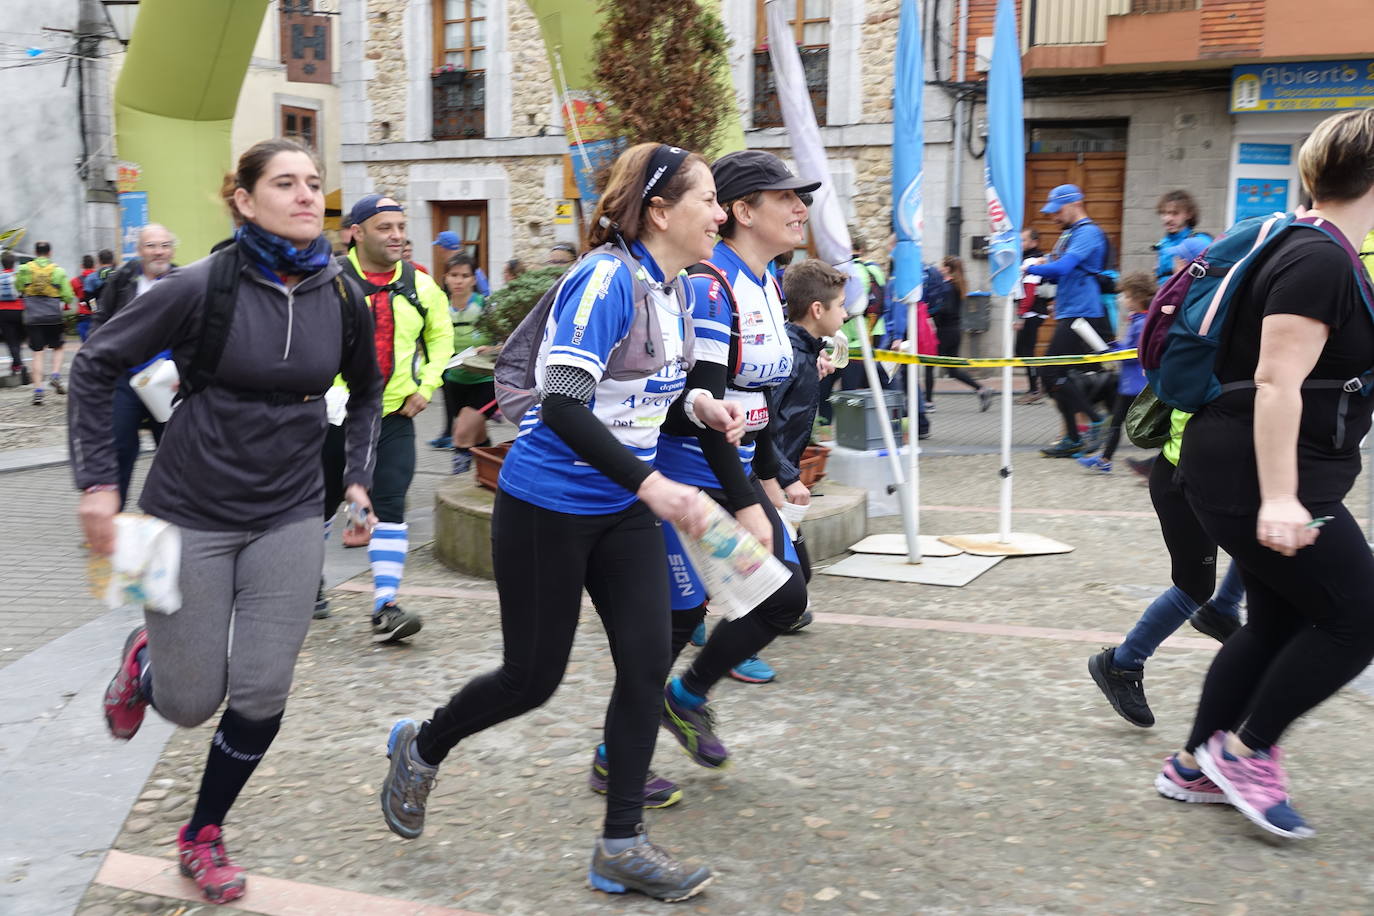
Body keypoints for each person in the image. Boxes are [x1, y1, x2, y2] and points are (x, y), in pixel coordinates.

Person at [378, 142, 739, 902]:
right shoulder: (605, 279)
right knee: (531, 678)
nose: (720, 212)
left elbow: (641, 394)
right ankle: (424, 745)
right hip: (547, 506)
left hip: (622, 510)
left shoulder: (674, 288)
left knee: (645, 667)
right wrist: (654, 485)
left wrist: (700, 406)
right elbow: (568, 404)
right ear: (660, 211)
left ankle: (621, 846)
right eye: (707, 198)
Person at [73, 137, 383, 904]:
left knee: (263, 688)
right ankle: (144, 659)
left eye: (314, 182)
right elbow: (94, 364)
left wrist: (358, 480)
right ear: (244, 199)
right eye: (286, 183)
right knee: (187, 702)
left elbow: (367, 392)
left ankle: (202, 831)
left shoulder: (342, 294)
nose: (308, 195)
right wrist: (97, 485)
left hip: (286, 512)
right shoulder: (199, 284)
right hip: (183, 513)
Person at [1154, 110, 1374, 839]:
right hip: (1262, 477)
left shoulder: (1311, 245)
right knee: (1358, 616)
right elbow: (1277, 382)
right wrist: (1281, 497)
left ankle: (1193, 765)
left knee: (1280, 618)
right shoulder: (1321, 260)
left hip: (1240, 469)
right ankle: (1245, 754)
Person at [653, 149, 815, 760]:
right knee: (671, 626)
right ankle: (616, 762)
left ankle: (687, 697)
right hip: (689, 478)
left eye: (802, 199)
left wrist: (770, 473)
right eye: (787, 199)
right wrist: (747, 499)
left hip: (733, 472)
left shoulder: (766, 282)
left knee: (785, 597)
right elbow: (706, 409)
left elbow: (759, 401)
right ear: (743, 211)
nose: (801, 209)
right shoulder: (711, 285)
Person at [320, 194, 453, 640]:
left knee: (392, 505)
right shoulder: (329, 281)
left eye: (400, 227)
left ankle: (386, 606)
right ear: (355, 233)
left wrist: (427, 386)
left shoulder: (420, 285)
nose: (396, 235)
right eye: (385, 228)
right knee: (319, 505)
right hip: (332, 418)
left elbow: (441, 338)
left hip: (394, 414)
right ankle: (306, 583)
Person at [90, 224, 179, 508]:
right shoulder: (123, 278)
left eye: (164, 245)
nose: (158, 252)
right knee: (119, 446)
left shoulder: (184, 280)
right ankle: (113, 514)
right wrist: (98, 356)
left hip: (168, 380)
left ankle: (173, 513)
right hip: (125, 377)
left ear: (172, 249)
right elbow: (101, 319)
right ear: (139, 250)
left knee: (173, 449)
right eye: (151, 246)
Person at [1024, 184, 1115, 457]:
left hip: (1083, 313)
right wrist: (1042, 266)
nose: (1053, 217)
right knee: (1058, 375)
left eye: (1057, 211)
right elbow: (1056, 273)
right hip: (1071, 311)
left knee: (1051, 372)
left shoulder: (1088, 233)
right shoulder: (1069, 235)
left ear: (1075, 204)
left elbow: (1062, 268)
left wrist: (1032, 265)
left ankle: (1095, 422)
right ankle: (1074, 436)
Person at [1077, 270, 1154, 474]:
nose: (1124, 300)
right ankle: (1104, 459)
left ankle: (1163, 459)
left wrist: (1112, 352)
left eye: (1127, 296)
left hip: (1137, 384)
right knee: (1116, 422)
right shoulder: (1137, 319)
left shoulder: (1142, 322)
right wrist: (1114, 347)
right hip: (1129, 382)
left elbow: (1134, 353)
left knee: (1139, 424)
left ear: (1138, 297)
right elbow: (1129, 347)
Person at [435, 253, 498, 469]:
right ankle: (490, 478)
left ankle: (456, 489)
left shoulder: (487, 306)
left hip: (486, 383)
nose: (458, 280)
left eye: (464, 275)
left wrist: (492, 348)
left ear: (473, 279)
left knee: (461, 435)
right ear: (445, 278)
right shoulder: (439, 308)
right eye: (453, 275)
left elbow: (511, 341)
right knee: (477, 437)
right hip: (454, 381)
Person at [923, 255, 992, 411]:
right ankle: (981, 389)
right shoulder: (958, 285)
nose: (939, 269)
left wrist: (929, 313)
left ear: (947, 269)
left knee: (928, 365)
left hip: (944, 332)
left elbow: (945, 309)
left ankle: (928, 402)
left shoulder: (947, 287)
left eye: (942, 266)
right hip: (955, 331)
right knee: (952, 370)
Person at [15, 241, 75, 405]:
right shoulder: (57, 271)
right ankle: (55, 374)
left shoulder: (25, 269)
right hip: (53, 316)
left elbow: (18, 286)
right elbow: (68, 296)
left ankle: (38, 391)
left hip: (33, 317)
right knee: (58, 347)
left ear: (35, 252)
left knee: (37, 353)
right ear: (50, 253)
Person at [1015, 227, 1053, 403]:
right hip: (1032, 312)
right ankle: (1037, 385)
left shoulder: (1032, 261)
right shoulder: (1028, 258)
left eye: (1023, 240)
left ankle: (1035, 389)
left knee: (1026, 351)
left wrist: (1021, 315)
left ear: (1034, 242)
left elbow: (1030, 291)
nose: (1020, 243)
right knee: (1021, 350)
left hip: (1032, 312)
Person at [1154, 190, 1212, 283]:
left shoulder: (1200, 241)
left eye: (1175, 213)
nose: (1168, 219)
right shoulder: (1163, 243)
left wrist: (1184, 277)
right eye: (1164, 213)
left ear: (1189, 214)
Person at [0, 253, 25, 379]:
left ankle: (17, 363)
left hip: (3, 312)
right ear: (14, 264)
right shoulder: (17, 277)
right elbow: (23, 293)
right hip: (19, 311)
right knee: (19, 339)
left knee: (10, 340)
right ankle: (17, 362)